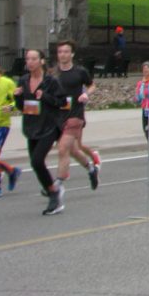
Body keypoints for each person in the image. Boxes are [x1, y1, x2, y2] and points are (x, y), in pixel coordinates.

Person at [14, 49, 64, 214]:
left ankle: (53, 195)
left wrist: (45, 97)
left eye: (34, 59)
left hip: (49, 126)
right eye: (28, 59)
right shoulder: (23, 80)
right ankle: (52, 191)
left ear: (42, 61)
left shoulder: (51, 81)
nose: (30, 62)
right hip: (31, 126)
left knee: (36, 161)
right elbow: (22, 107)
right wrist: (17, 97)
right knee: (36, 164)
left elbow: (62, 102)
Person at [53, 40, 99, 193]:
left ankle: (57, 184)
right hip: (59, 115)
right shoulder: (53, 73)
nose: (63, 55)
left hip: (75, 115)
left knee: (62, 149)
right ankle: (91, 168)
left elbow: (92, 85)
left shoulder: (80, 72)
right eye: (60, 52)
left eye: (66, 51)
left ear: (72, 54)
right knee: (73, 150)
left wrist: (86, 94)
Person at [0, 55, 20, 198]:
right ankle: (11, 171)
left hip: (0, 125)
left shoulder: (7, 83)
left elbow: (18, 100)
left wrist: (11, 106)